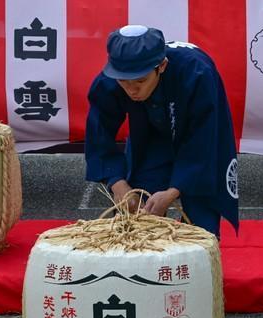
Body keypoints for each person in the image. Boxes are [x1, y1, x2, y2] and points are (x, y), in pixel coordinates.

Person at [85, 25, 238, 237]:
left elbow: (203, 140)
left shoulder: (197, 73)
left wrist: (173, 191)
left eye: (140, 80)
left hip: (198, 137)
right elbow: (98, 135)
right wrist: (117, 184)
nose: (132, 90)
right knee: (138, 215)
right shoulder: (109, 79)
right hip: (150, 134)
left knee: (201, 228)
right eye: (123, 81)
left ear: (162, 66)